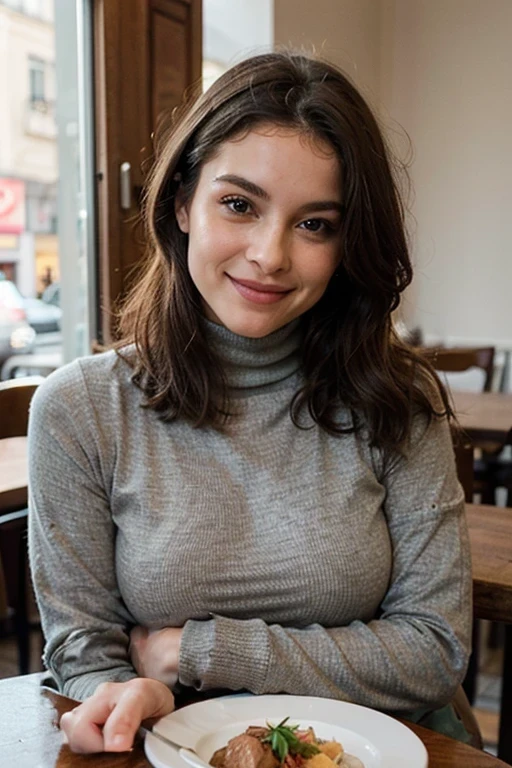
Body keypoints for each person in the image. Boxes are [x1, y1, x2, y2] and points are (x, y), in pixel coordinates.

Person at [28, 50, 472, 755]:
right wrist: (121, 694)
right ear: (181, 203)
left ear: (348, 241)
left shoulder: (396, 401)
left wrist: (200, 654)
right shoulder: (80, 410)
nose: (270, 255)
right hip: (177, 748)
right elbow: (85, 653)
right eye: (239, 205)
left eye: (315, 224)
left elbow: (434, 650)